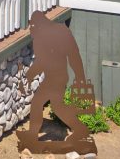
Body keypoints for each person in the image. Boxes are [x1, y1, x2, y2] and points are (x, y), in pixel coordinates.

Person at [24, 10, 91, 142]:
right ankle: (79, 129)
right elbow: (42, 61)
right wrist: (30, 74)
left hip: (57, 76)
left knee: (39, 103)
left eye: (32, 26)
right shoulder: (42, 37)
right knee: (55, 106)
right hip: (53, 76)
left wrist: (80, 76)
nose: (31, 30)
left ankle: (79, 130)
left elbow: (73, 55)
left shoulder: (59, 32)